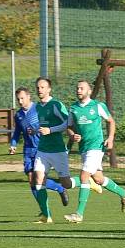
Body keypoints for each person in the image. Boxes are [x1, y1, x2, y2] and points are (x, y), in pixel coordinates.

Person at [63, 80, 125, 223]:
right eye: (77, 88)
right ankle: (124, 193)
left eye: (82, 88)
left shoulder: (97, 106)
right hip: (84, 148)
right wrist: (72, 135)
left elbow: (111, 121)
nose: (79, 90)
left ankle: (79, 214)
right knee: (99, 179)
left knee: (84, 176)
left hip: (96, 147)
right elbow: (69, 126)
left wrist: (111, 138)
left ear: (89, 91)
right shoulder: (73, 108)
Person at [32, 77, 92, 224]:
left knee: (66, 183)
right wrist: (34, 130)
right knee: (37, 179)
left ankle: (88, 181)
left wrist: (50, 130)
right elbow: (43, 126)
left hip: (58, 150)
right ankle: (47, 216)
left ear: (49, 89)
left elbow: (68, 123)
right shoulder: (38, 107)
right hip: (42, 150)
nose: (40, 90)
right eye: (38, 87)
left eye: (43, 87)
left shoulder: (56, 105)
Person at [10, 86, 72, 212]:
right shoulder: (18, 115)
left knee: (37, 179)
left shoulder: (37, 108)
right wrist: (13, 144)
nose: (20, 101)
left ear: (28, 96)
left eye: (22, 98)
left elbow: (49, 123)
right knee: (32, 181)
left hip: (41, 147)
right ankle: (45, 211)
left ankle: (60, 188)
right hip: (28, 150)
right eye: (18, 99)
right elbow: (17, 131)